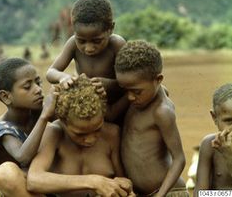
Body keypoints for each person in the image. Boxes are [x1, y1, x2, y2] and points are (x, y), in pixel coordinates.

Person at [27, 74, 135, 197]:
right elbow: (34, 179)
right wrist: (93, 181)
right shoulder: (54, 133)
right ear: (63, 122)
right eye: (80, 134)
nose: (90, 139)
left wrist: (125, 185)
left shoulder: (112, 134)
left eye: (98, 129)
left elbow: (121, 178)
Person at [114, 40, 188, 197]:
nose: (129, 97)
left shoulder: (162, 112)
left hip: (167, 192)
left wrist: (161, 195)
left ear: (158, 79)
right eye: (124, 90)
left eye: (136, 91)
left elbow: (179, 159)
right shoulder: (139, 96)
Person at [0, 57, 57, 197]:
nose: (38, 90)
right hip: (13, 188)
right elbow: (23, 157)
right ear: (6, 97)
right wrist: (45, 116)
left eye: (38, 82)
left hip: (36, 182)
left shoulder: (37, 112)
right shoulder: (2, 127)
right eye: (27, 87)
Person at [46, 0, 126, 107]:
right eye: (82, 41)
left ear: (110, 29)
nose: (88, 48)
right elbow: (51, 72)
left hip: (115, 105)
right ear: (73, 30)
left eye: (97, 41)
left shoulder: (116, 45)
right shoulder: (72, 43)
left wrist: (108, 84)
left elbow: (131, 80)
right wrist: (63, 77)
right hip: (89, 105)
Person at [194, 83, 232, 195]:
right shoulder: (209, 145)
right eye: (229, 121)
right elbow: (200, 193)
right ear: (214, 117)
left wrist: (229, 155)